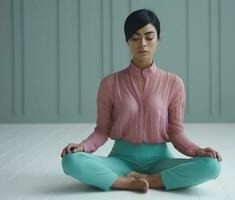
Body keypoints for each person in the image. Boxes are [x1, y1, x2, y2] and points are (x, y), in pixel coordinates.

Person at [60, 8, 222, 193]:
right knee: (71, 161)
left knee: (212, 165)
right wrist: (83, 146)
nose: (142, 43)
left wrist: (197, 151)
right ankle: (128, 183)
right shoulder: (110, 83)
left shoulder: (174, 83)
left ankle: (147, 180)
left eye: (149, 37)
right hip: (120, 160)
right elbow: (102, 130)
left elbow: (176, 132)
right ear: (127, 41)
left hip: (160, 161)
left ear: (158, 40)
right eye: (135, 38)